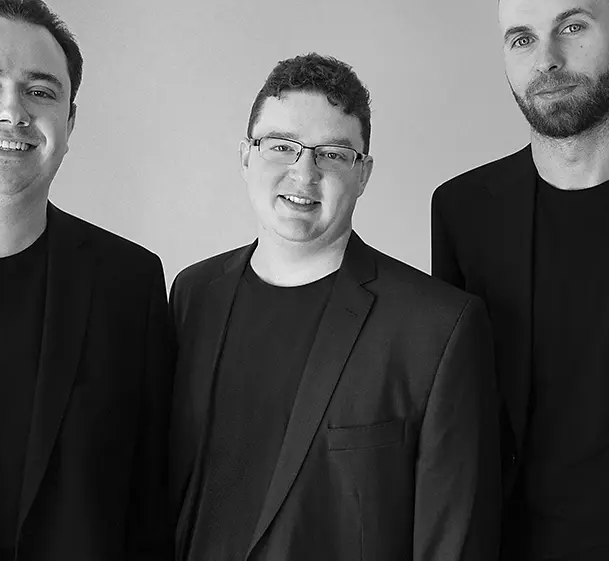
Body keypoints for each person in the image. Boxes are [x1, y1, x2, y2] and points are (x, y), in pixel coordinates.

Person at [170, 52, 500, 561]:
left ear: (362, 174)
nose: (304, 174)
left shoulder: (437, 327)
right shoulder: (193, 295)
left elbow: (451, 542)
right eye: (282, 146)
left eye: (332, 154)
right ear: (246, 157)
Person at [0, 0, 172, 561]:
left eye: (40, 92)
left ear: (69, 121)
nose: (12, 112)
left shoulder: (129, 283)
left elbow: (149, 505)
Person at [432, 0, 609, 560]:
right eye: (521, 39)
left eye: (572, 27)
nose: (547, 59)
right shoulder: (462, 212)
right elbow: (459, 414)